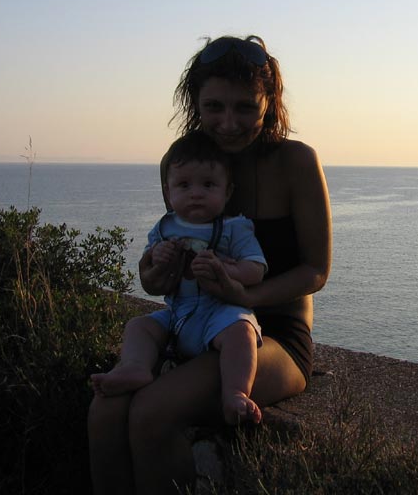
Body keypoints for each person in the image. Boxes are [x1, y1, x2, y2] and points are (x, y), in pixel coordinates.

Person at [88, 35, 332, 495]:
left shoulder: (296, 162)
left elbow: (316, 271)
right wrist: (154, 274)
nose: (229, 123)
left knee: (152, 412)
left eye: (245, 108)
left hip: (275, 335)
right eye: (214, 107)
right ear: (194, 102)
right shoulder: (184, 163)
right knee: (104, 410)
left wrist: (245, 294)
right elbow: (170, 258)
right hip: (196, 322)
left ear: (270, 103)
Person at [90, 131, 268, 425]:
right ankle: (135, 367)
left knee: (242, 331)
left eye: (208, 185)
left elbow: (256, 268)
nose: (196, 193)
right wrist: (158, 258)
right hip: (177, 314)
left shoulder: (234, 228)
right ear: (168, 192)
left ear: (227, 192)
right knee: (139, 326)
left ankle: (236, 392)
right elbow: (150, 266)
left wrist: (227, 271)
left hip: (219, 313)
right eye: (184, 185)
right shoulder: (164, 228)